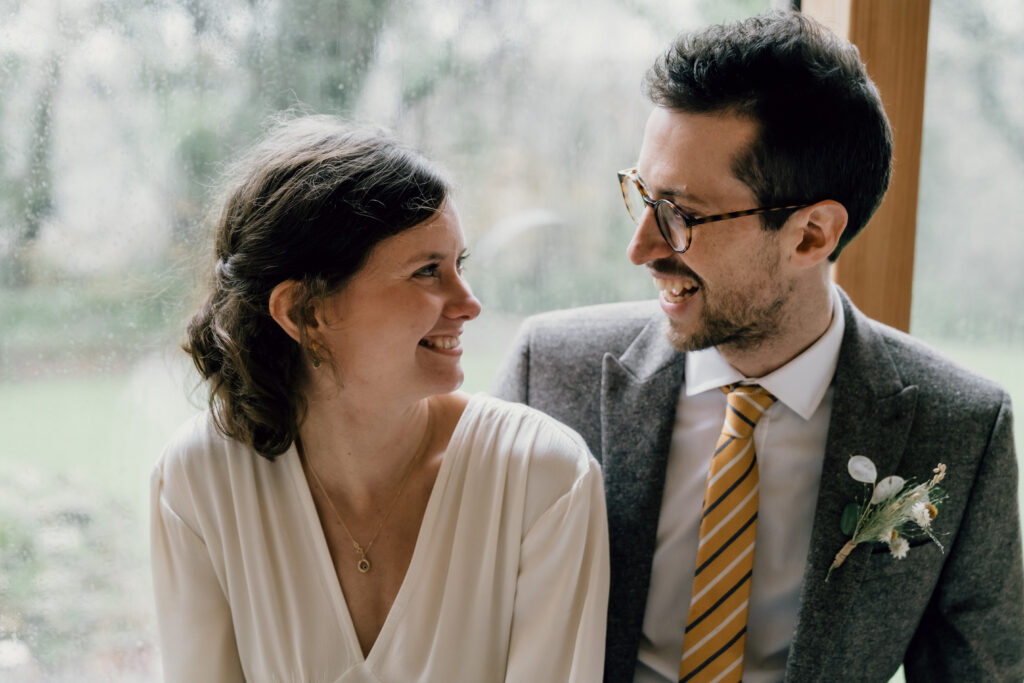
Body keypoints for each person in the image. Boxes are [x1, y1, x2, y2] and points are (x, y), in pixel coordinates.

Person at [495, 11, 1023, 683]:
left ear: (810, 236)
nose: (642, 249)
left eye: (681, 215)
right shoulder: (551, 371)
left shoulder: (960, 429)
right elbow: (465, 620)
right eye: (643, 196)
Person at [150, 116, 609, 682]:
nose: (468, 304)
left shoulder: (546, 477)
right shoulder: (200, 478)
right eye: (426, 272)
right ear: (305, 312)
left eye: (458, 265)